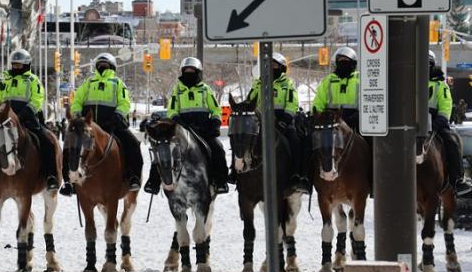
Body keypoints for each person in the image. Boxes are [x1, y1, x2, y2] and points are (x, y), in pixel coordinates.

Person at [59, 52, 143, 196]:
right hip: (89, 126)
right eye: (100, 64)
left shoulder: (117, 83)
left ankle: (133, 177)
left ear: (112, 67)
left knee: (133, 143)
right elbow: (78, 100)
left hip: (112, 124)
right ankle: (68, 181)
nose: (102, 67)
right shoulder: (88, 82)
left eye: (106, 65)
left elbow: (125, 102)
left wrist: (118, 114)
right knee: (69, 146)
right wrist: (78, 114)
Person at [143, 57, 228, 194]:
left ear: (198, 72)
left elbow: (216, 109)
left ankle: (220, 181)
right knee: (162, 148)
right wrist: (177, 120)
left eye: (192, 71)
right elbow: (171, 110)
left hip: (203, 130)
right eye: (186, 71)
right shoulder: (177, 90)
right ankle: (154, 182)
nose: (189, 73)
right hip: (181, 130)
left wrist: (215, 122)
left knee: (218, 148)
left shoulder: (205, 90)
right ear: (182, 72)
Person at [0, 48, 59, 191]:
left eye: (19, 65)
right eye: (14, 64)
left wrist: (23, 114)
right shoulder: (4, 81)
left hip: (28, 119)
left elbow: (37, 100)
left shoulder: (33, 81)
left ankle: (50, 176)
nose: (16, 67)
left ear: (26, 65)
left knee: (47, 141)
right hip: (4, 121)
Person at [239, 52, 308, 193]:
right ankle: (236, 171)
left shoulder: (287, 84)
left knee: (295, 141)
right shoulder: (258, 83)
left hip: (282, 121)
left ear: (282, 68)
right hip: (260, 121)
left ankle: (296, 175)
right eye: (268, 65)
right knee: (241, 138)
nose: (271, 68)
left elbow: (292, 103)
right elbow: (249, 100)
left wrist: (285, 120)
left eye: (275, 65)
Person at [428, 50, 472, 196]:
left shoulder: (441, 85)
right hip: (414, 124)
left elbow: (445, 108)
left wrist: (437, 123)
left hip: (436, 124)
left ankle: (457, 179)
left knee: (452, 141)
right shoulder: (410, 84)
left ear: (432, 65)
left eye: (427, 64)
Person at [312, 46, 360, 132]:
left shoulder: (360, 80)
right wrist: (317, 114)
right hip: (330, 121)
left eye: (346, 61)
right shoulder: (328, 80)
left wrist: (357, 116)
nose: (343, 63)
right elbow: (319, 100)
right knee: (311, 139)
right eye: (341, 60)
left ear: (353, 63)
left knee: (368, 142)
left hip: (354, 121)